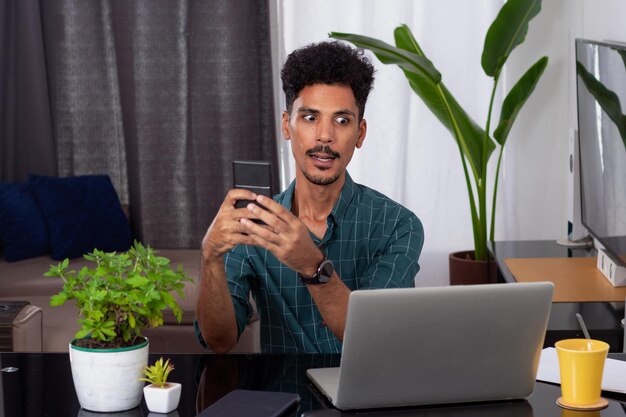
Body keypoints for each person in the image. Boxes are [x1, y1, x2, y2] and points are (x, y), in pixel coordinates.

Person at [195, 41, 424, 354]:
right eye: (310, 117)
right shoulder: (254, 224)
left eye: (342, 120)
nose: (325, 136)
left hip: (365, 399)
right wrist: (210, 257)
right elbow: (219, 341)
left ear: (360, 133)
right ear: (287, 125)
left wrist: (312, 265)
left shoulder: (398, 226)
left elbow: (375, 337)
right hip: (284, 399)